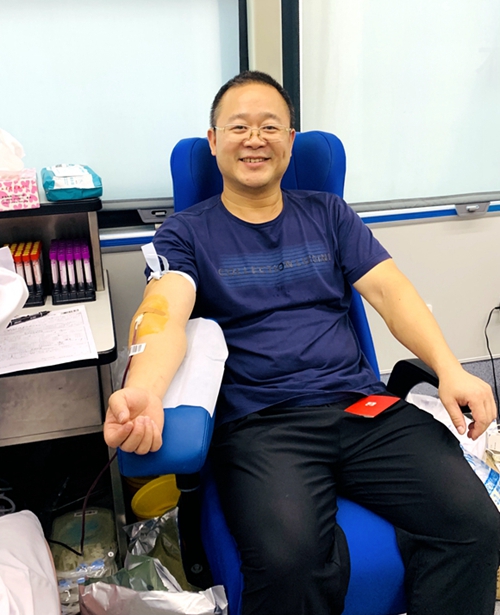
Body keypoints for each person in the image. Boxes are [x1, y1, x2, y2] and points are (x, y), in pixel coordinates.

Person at [104, 71, 500, 615]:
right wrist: (147, 388)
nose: (255, 139)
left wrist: (450, 368)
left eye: (271, 127)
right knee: (289, 562)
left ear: (291, 141)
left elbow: (392, 292)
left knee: (475, 524)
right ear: (214, 141)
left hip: (362, 409)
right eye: (239, 127)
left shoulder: (329, 214)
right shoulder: (186, 233)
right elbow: (164, 312)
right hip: (262, 424)